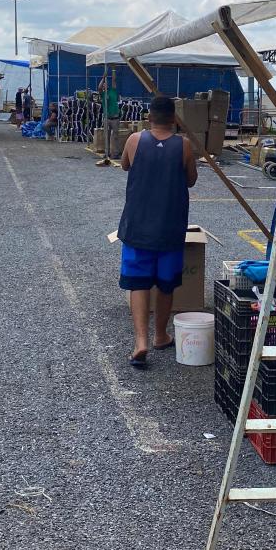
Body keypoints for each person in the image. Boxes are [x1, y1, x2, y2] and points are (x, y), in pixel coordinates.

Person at [117, 95, 198, 367]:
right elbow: (191, 180)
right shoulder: (184, 145)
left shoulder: (135, 140)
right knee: (165, 284)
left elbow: (125, 164)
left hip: (138, 226)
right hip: (170, 227)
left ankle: (140, 342)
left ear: (149, 117)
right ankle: (160, 335)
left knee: (138, 283)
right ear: (174, 119)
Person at [96, 78, 121, 166]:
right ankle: (107, 153)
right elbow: (99, 87)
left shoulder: (112, 91)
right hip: (107, 118)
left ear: (107, 85)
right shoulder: (102, 94)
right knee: (106, 136)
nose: (104, 86)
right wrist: (103, 78)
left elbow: (114, 82)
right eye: (103, 85)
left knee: (116, 136)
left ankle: (116, 153)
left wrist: (113, 72)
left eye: (105, 84)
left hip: (115, 118)